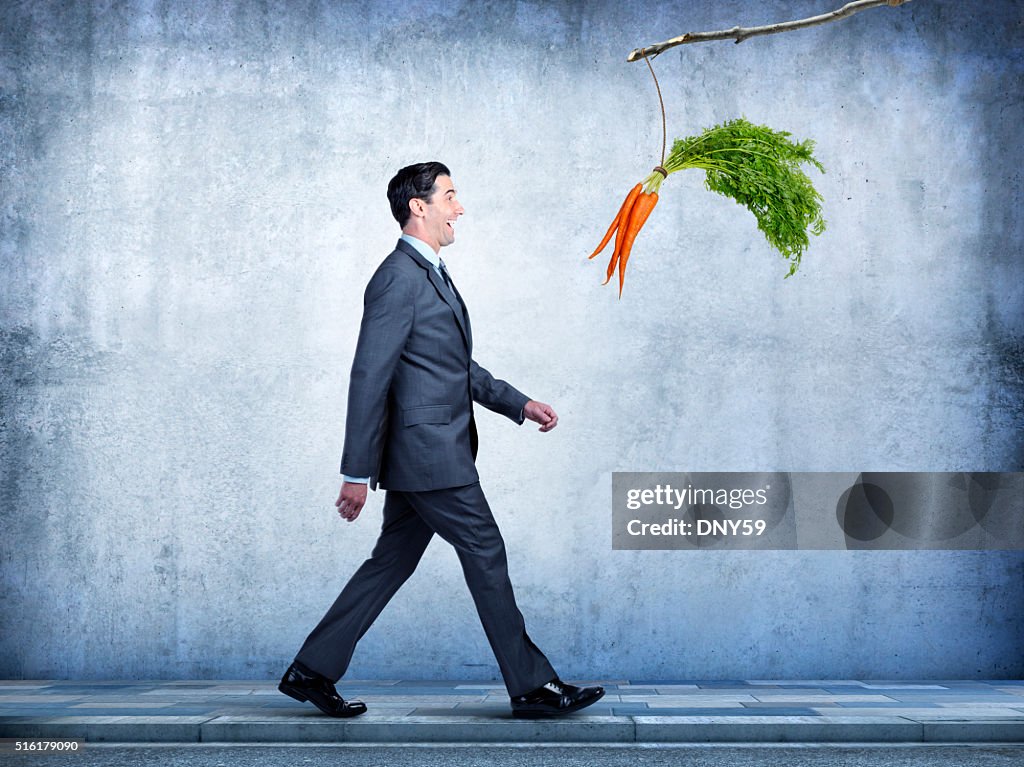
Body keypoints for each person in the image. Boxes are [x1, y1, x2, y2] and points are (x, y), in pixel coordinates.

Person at [278, 162, 604, 719]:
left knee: (390, 562)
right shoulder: (397, 277)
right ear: (418, 206)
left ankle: (310, 671)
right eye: (450, 196)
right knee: (486, 550)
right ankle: (530, 685)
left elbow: (452, 367)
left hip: (423, 455)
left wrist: (517, 403)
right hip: (430, 456)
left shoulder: (429, 273)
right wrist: (355, 472)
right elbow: (368, 376)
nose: (460, 207)